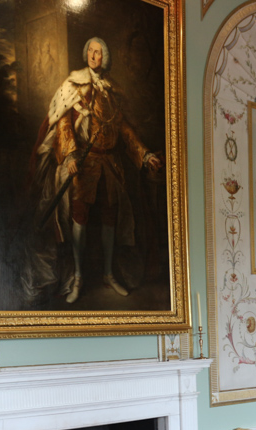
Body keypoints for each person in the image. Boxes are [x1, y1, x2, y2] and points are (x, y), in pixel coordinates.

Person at [30, 36, 163, 304]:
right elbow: (64, 122)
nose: (94, 56)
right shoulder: (74, 85)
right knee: (79, 216)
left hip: (110, 165)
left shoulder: (113, 91)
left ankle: (107, 274)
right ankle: (78, 277)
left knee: (110, 218)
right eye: (90, 51)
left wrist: (144, 153)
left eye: (99, 52)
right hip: (84, 164)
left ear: (105, 57)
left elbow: (124, 130)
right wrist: (69, 155)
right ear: (85, 54)